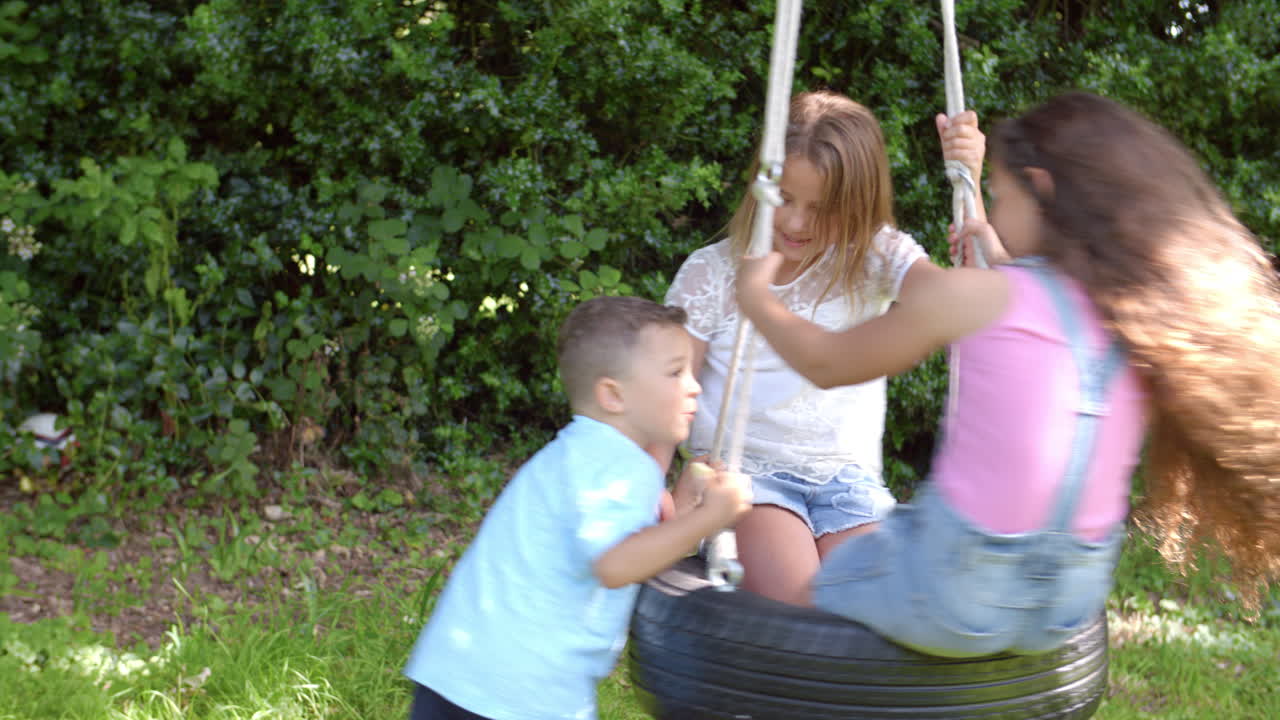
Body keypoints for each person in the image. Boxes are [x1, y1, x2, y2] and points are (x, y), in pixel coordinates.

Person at [735, 90, 1280, 657]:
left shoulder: (980, 297)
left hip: (955, 592)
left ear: (1039, 188)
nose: (989, 212)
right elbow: (1044, 313)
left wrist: (758, 300)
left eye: (995, 196)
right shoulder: (1131, 312)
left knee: (807, 604)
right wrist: (989, 231)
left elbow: (827, 363)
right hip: (1068, 602)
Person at [663, 90, 986, 604]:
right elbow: (664, 399)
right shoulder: (714, 274)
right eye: (785, 199)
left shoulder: (873, 256)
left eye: (821, 209)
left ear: (857, 207)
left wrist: (971, 185)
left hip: (848, 485)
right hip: (745, 479)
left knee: (880, 602)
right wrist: (662, 498)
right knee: (803, 601)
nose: (796, 223)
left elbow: (961, 299)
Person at [402, 295, 753, 719]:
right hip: (520, 690)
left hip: (462, 671)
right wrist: (710, 518)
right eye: (676, 372)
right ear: (613, 395)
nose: (694, 386)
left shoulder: (583, 454)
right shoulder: (620, 466)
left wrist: (685, 507)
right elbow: (615, 565)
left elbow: (632, 543)